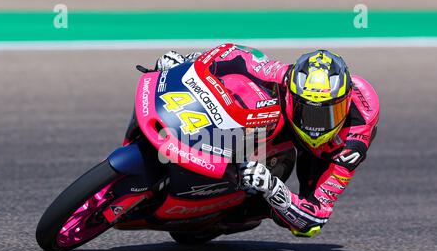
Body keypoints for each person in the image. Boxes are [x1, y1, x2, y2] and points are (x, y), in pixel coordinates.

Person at [155, 44, 379, 238]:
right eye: (307, 111)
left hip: (323, 153)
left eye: (327, 114)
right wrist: (187, 62)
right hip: (288, 124)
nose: (316, 125)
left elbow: (315, 219)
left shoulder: (354, 140)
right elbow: (232, 55)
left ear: (346, 102)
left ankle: (236, 209)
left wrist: (273, 188)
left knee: (297, 224)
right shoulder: (282, 75)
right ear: (292, 95)